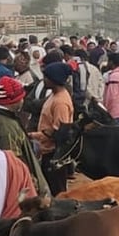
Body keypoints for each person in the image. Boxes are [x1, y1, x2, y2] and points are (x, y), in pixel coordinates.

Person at [0, 77, 49, 198]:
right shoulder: (8, 127)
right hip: (17, 191)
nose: (23, 100)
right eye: (21, 97)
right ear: (13, 101)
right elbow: (15, 163)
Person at [30, 62, 75, 197]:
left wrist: (33, 135)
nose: (44, 80)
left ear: (54, 80)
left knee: (57, 194)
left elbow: (59, 133)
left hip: (53, 155)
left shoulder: (60, 102)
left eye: (46, 77)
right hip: (47, 151)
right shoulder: (54, 95)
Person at [102, 53, 119, 124]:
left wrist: (106, 111)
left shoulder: (114, 76)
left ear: (111, 62)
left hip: (113, 112)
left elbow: (111, 96)